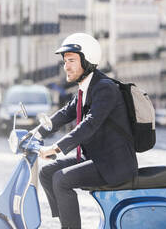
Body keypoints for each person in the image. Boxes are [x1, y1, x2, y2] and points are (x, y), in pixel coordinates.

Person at [36, 33, 138, 229]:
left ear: (87, 60)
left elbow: (90, 124)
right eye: (65, 61)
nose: (67, 66)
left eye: (72, 60)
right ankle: (67, 223)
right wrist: (36, 134)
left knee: (61, 179)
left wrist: (56, 148)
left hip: (113, 165)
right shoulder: (85, 88)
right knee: (47, 172)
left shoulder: (104, 88)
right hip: (96, 158)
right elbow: (65, 114)